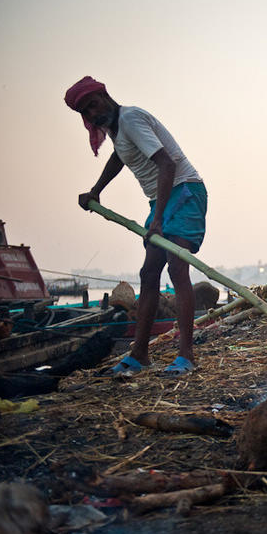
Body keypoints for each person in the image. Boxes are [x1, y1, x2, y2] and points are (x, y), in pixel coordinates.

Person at [65, 76, 207, 376]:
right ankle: (140, 354)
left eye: (93, 105)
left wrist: (157, 220)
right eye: (85, 113)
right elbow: (120, 157)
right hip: (162, 200)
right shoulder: (118, 131)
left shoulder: (130, 118)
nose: (92, 114)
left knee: (177, 269)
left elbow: (167, 164)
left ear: (105, 95)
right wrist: (96, 190)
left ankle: (187, 355)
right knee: (148, 272)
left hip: (184, 192)